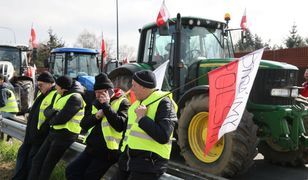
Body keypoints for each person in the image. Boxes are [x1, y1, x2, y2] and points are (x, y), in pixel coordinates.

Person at [111, 70, 178, 180]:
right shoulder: (135, 105)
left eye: (134, 86)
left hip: (149, 165)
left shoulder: (164, 103)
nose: (131, 89)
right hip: (128, 162)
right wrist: (122, 155)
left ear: (144, 87)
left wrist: (142, 118)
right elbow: (127, 134)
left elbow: (163, 136)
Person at [66, 73, 130, 180]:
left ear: (109, 91)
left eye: (100, 92)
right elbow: (84, 124)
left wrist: (106, 106)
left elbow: (120, 125)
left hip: (108, 152)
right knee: (71, 170)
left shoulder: (123, 102)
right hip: (91, 148)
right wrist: (97, 116)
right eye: (96, 92)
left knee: (89, 177)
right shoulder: (96, 102)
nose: (97, 95)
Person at [28, 75, 85, 180]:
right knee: (37, 159)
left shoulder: (75, 98)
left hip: (65, 135)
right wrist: (54, 114)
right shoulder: (60, 95)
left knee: (47, 165)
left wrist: (52, 117)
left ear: (63, 87)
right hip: (54, 132)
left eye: (57, 85)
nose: (55, 87)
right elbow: (47, 111)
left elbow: (60, 119)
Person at [12, 71, 57, 180]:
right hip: (31, 134)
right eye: (38, 84)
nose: (39, 87)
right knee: (22, 155)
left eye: (41, 85)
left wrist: (40, 132)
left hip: (40, 136)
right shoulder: (42, 94)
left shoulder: (55, 95)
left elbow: (51, 117)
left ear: (50, 83)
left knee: (31, 160)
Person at [0, 74, 19, 140]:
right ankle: (7, 139)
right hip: (10, 111)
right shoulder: (6, 87)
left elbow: (2, 103)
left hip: (9, 112)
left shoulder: (3, 89)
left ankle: (3, 138)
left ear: (2, 81)